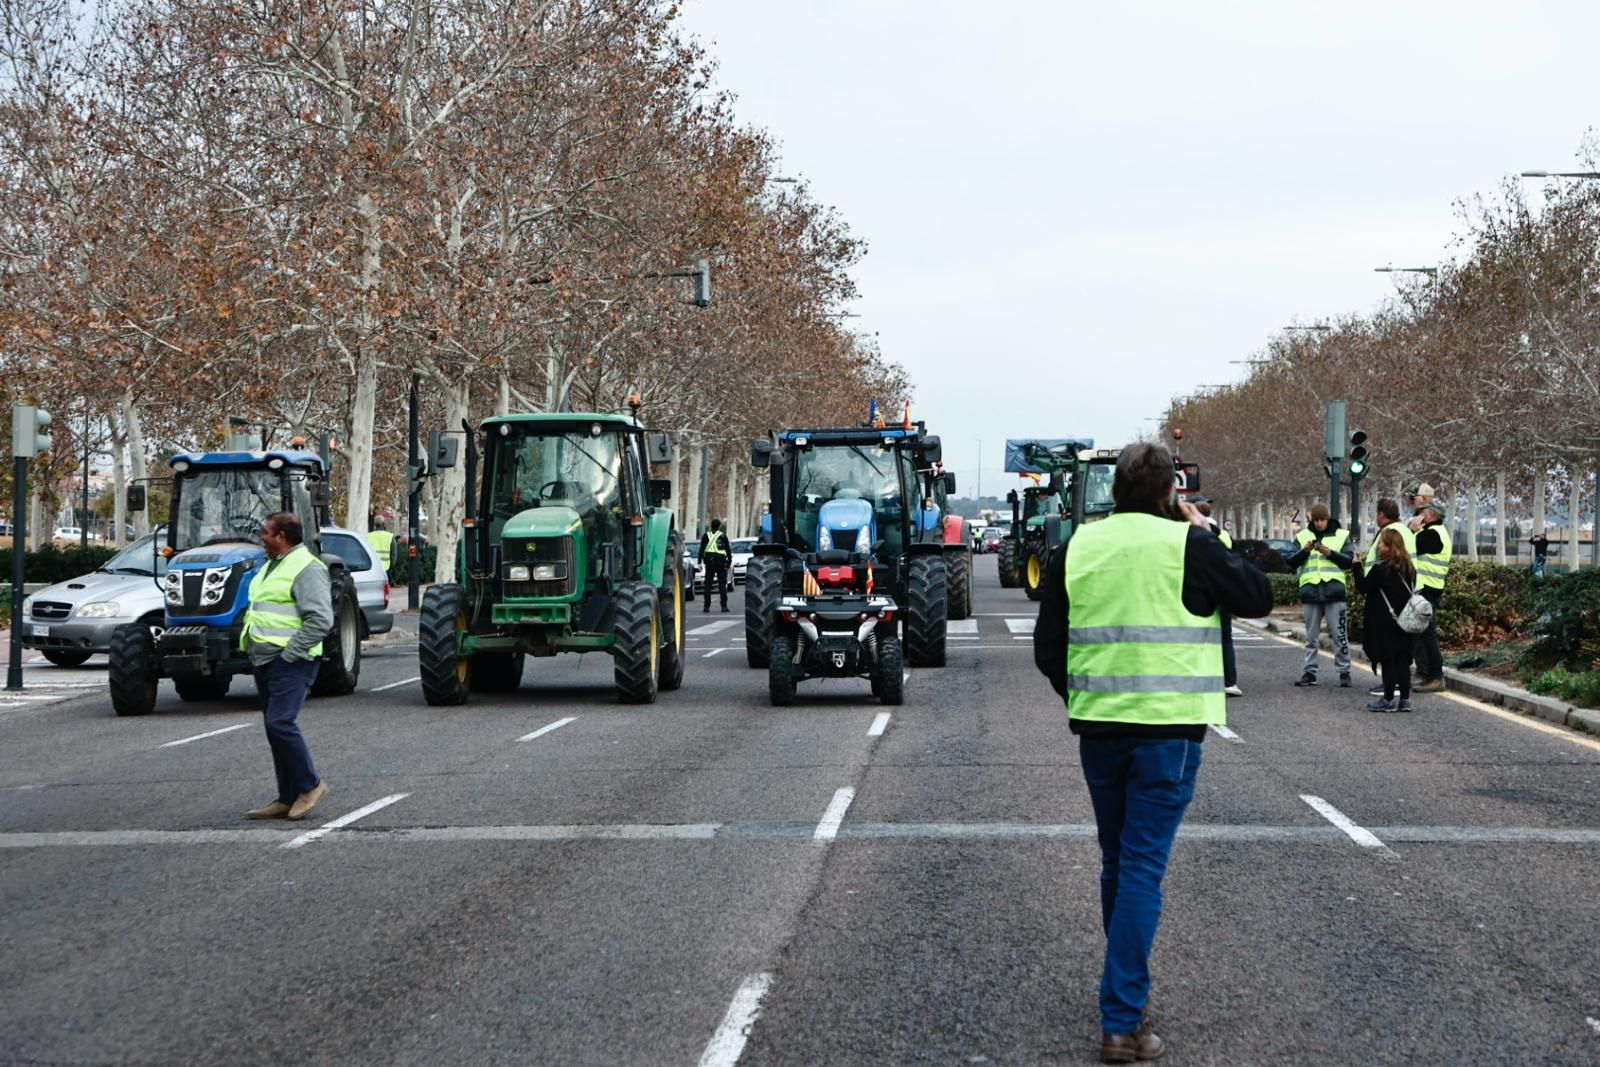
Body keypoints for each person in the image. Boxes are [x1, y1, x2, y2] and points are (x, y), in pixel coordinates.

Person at [1034, 443, 1271, 1063]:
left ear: (1113, 489)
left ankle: (1127, 997)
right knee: (1141, 867)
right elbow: (1257, 597)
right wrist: (1207, 533)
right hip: (1170, 730)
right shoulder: (1186, 545)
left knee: (1117, 863)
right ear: (1172, 490)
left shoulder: (1076, 547)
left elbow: (1047, 647)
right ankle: (1121, 1021)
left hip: (1099, 728)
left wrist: (1082, 692)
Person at [242, 512, 331, 821]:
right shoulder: (271, 566)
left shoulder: (307, 568)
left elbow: (321, 620)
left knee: (280, 723)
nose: (261, 537)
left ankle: (311, 785)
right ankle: (287, 795)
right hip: (265, 660)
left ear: (281, 536)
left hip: (291, 661)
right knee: (274, 728)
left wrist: (290, 654)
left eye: (265, 532)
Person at [1285, 503, 1355, 687]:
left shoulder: (1341, 535)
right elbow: (1290, 562)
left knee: (1339, 634)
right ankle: (1310, 672)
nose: (1319, 524)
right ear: (1312, 520)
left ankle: (1344, 671)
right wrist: (1305, 551)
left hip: (1334, 591)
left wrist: (1330, 553)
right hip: (1311, 591)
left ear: (1327, 518)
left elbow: (1349, 561)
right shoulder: (1302, 537)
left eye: (1322, 520)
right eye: (1316, 520)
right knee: (1311, 636)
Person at [1354, 527, 1418, 712]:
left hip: (1385, 621)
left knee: (1388, 660)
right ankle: (1405, 700)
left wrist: (1356, 567)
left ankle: (1389, 699)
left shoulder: (1380, 569)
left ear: (1389, 547)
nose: (1379, 546)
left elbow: (1364, 587)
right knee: (1402, 660)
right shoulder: (1409, 568)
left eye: (1382, 543)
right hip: (1406, 620)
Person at [1193, 499, 1242, 697]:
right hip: (1223, 591)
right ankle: (1230, 682)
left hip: (1200, 592)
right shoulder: (1224, 535)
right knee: (1225, 638)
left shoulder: (1191, 534)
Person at [1411, 499, 1451, 692]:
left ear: (1433, 515)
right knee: (1420, 634)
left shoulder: (1433, 535)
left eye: (1422, 512)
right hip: (1425, 588)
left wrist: (1413, 529)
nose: (1418, 515)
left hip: (1428, 589)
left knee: (1427, 635)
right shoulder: (1431, 532)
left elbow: (1409, 546)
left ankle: (1436, 677)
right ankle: (1426, 673)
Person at [699, 517, 731, 613]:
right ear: (719, 526)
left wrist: (699, 561)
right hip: (721, 562)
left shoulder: (706, 536)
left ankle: (706, 607)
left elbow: (701, 549)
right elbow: (728, 550)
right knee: (722, 585)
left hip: (709, 562)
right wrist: (729, 562)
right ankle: (724, 606)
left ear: (711, 526)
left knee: (708, 585)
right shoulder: (723, 536)